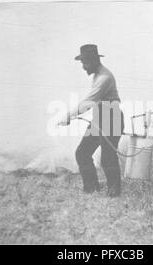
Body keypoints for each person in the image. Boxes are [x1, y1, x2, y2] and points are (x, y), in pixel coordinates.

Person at [57, 44, 124, 197]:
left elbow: (88, 102)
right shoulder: (97, 75)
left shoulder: (104, 78)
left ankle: (114, 191)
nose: (83, 67)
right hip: (101, 118)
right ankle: (91, 188)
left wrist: (68, 116)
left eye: (85, 63)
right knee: (82, 153)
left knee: (108, 157)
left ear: (94, 61)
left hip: (112, 118)